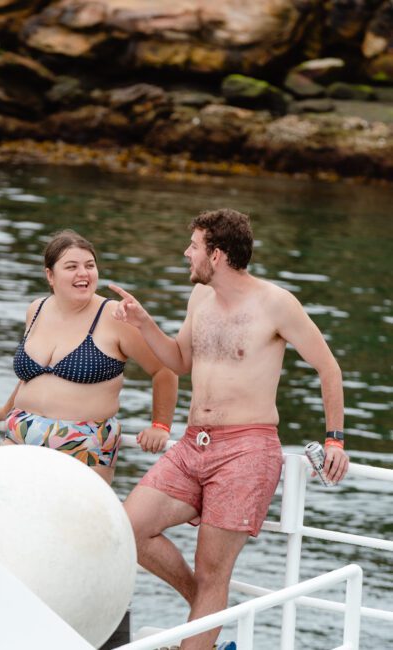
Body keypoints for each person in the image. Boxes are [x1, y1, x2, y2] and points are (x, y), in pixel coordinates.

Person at [109, 209, 349, 650]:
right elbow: (180, 360)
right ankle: (205, 605)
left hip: (247, 450)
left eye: (194, 246)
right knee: (127, 529)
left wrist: (335, 438)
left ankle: (203, 620)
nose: (187, 253)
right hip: (191, 444)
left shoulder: (276, 303)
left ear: (216, 255)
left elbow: (328, 368)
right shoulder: (199, 299)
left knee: (213, 570)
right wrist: (143, 323)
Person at [0, 229, 178, 485]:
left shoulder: (114, 316)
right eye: (71, 266)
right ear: (50, 275)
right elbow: (33, 376)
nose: (83, 273)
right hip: (21, 433)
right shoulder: (36, 309)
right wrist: (5, 409)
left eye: (90, 265)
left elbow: (164, 368)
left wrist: (160, 425)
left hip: (83, 446)